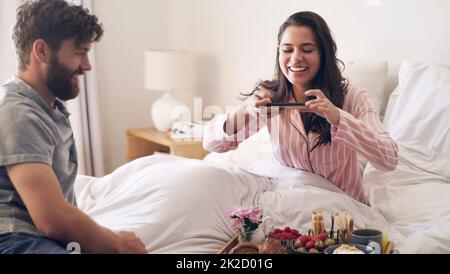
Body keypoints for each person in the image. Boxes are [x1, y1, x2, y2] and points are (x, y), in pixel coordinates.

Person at [203, 11, 399, 204]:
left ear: (324, 54)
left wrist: (338, 117)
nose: (296, 58)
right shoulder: (271, 97)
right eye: (287, 50)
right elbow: (212, 145)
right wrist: (243, 112)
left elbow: (389, 159)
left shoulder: (353, 97)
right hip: (294, 207)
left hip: (343, 214)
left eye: (307, 49)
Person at [0, 0, 146, 254]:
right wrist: (118, 245)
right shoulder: (17, 112)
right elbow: (53, 218)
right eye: (79, 52)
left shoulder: (47, 108)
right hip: (14, 240)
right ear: (42, 51)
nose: (87, 65)